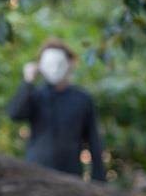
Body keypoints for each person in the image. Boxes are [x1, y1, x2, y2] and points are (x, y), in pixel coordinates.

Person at [7, 39, 106, 181]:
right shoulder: (35, 95)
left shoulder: (82, 99)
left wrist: (98, 179)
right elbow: (15, 114)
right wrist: (28, 81)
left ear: (70, 63)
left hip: (69, 176)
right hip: (35, 173)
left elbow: (93, 140)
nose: (54, 68)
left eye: (59, 63)